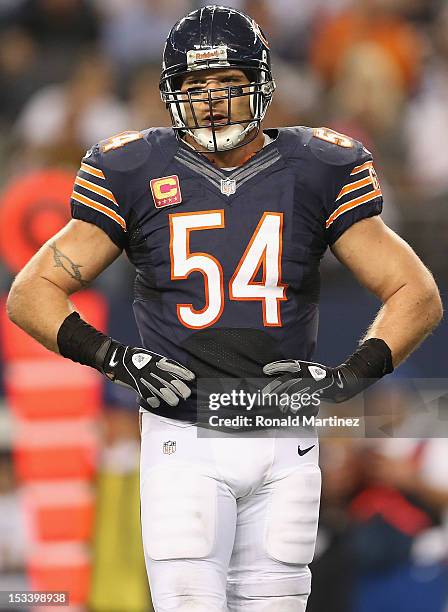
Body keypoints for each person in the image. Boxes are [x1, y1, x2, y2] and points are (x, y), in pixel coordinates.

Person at [6, 5, 442, 611]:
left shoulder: (317, 167)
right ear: (171, 93)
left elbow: (416, 292)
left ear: (260, 86)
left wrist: (350, 376)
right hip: (184, 434)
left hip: (285, 439)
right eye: (194, 86)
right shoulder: (135, 168)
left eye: (227, 84)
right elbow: (30, 293)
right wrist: (116, 360)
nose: (211, 100)